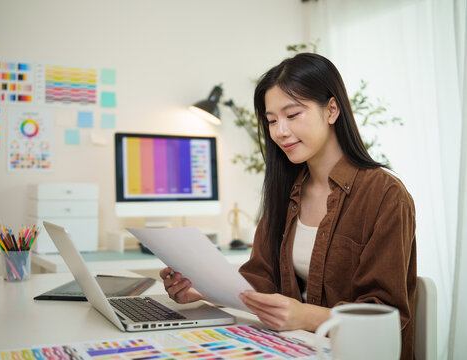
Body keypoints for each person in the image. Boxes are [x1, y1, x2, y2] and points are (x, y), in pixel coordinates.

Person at [160, 53, 416, 359]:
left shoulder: (385, 194)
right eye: (271, 120)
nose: (280, 131)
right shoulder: (285, 191)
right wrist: (202, 290)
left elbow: (384, 313)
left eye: (292, 115)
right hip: (293, 348)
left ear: (331, 110)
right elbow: (261, 278)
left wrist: (305, 316)